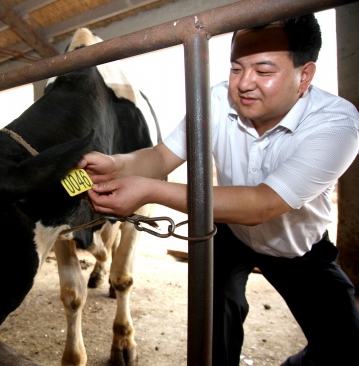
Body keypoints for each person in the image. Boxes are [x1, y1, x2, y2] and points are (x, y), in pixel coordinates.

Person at [77, 14, 359, 366]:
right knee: (214, 331)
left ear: (305, 75)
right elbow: (163, 156)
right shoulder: (216, 101)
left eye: (264, 71)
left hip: (298, 244)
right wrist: (118, 164)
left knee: (342, 344)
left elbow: (263, 204)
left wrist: (148, 191)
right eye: (236, 69)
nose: (244, 84)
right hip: (231, 234)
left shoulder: (335, 123)